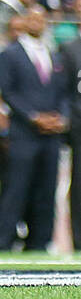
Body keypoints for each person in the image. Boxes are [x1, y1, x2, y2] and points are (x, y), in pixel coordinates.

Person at [0, 5, 68, 251]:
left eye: (41, 18)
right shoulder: (11, 53)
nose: (37, 22)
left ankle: (40, 243)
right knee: (16, 189)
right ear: (24, 21)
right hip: (24, 133)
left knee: (46, 191)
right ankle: (3, 243)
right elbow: (8, 92)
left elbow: (63, 91)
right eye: (32, 18)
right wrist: (33, 116)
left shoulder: (54, 53)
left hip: (51, 134)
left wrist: (61, 117)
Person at [60, 25, 81, 249]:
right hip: (79, 124)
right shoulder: (70, 49)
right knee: (79, 185)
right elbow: (63, 91)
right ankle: (79, 240)